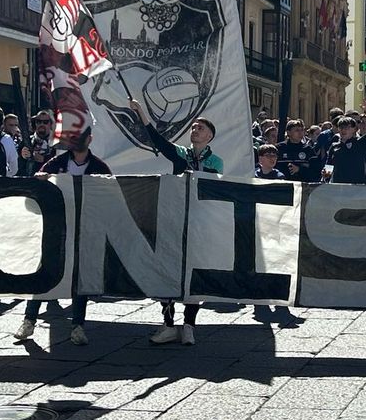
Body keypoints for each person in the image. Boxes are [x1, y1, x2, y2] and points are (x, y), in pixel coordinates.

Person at [131, 100, 222, 345]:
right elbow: (158, 140)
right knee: (167, 272)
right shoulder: (180, 154)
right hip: (174, 220)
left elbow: (213, 190)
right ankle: (168, 324)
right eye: (193, 127)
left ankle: (189, 325)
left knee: (194, 274)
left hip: (199, 226)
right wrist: (141, 113)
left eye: (200, 128)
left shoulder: (216, 162)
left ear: (210, 136)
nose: (195, 131)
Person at [17, 127, 110, 346]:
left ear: (90, 139)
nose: (76, 141)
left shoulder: (99, 167)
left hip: (84, 230)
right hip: (55, 228)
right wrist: (40, 179)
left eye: (80, 137)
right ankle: (29, 320)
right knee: (43, 273)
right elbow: (35, 191)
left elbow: (108, 196)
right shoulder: (55, 164)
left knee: (80, 277)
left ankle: (77, 326)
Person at [325, 104, 366, 185]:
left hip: (358, 188)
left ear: (355, 129)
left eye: (347, 127)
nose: (344, 130)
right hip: (339, 188)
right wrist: (325, 175)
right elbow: (329, 166)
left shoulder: (361, 143)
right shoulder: (334, 146)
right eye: (341, 127)